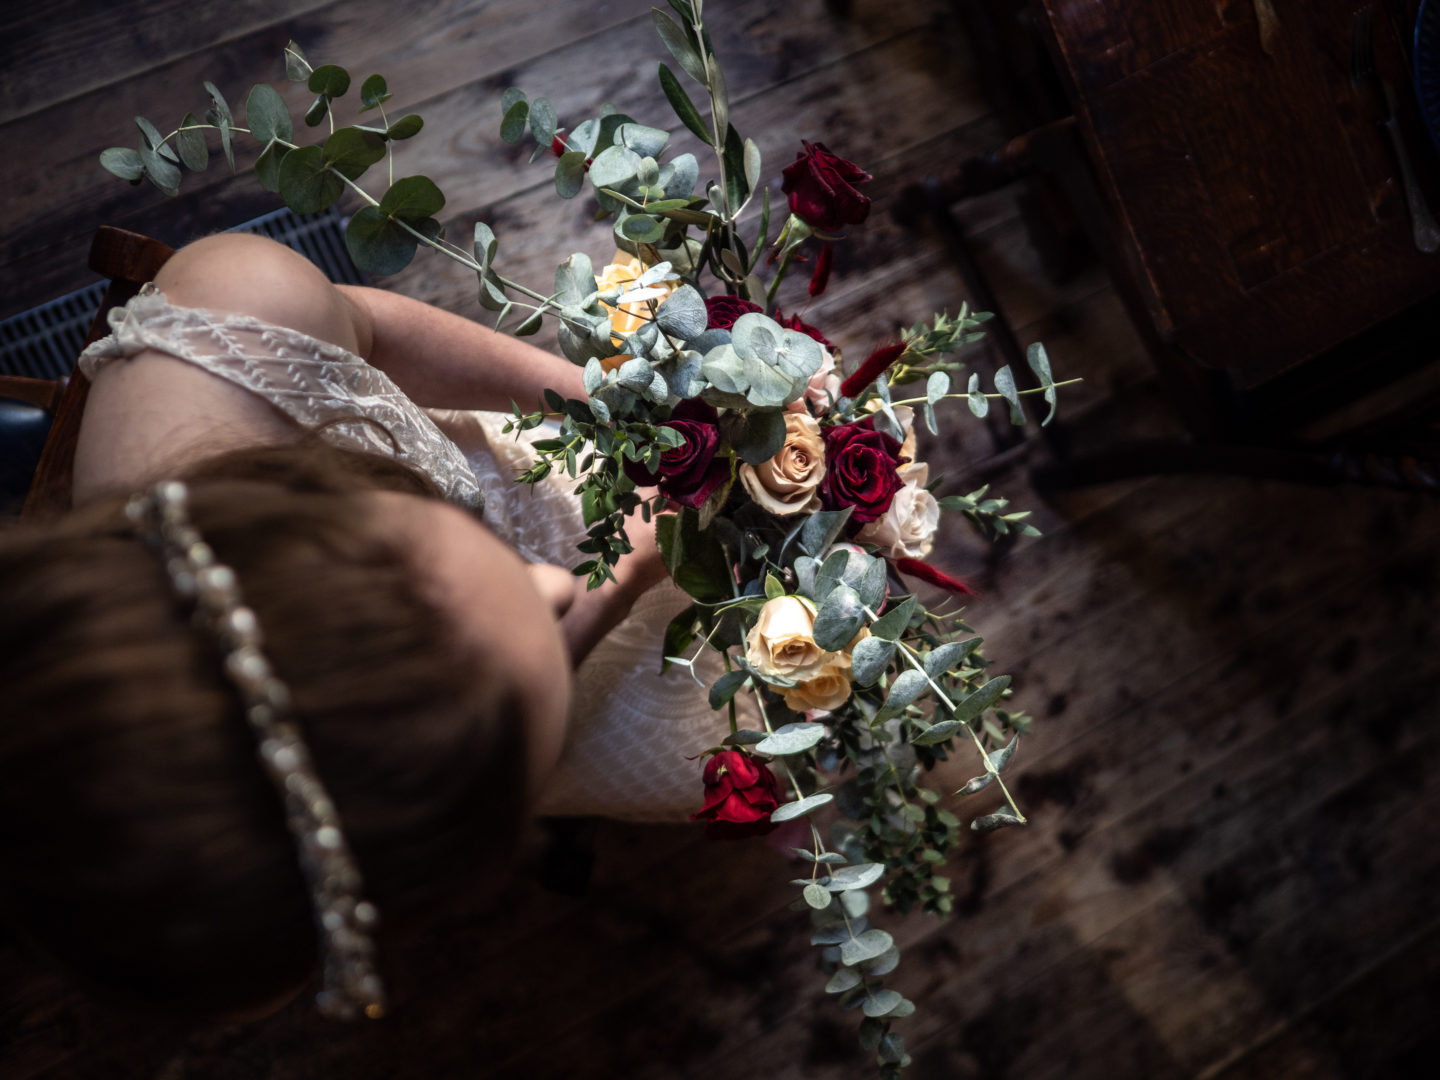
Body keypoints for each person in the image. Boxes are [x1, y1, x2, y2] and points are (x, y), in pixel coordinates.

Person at [0, 232, 733, 1023]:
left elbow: (374, 337)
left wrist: (593, 402)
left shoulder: (241, 311)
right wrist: (618, 580)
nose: (557, 583)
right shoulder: (243, 909)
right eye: (505, 726)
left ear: (309, 500)